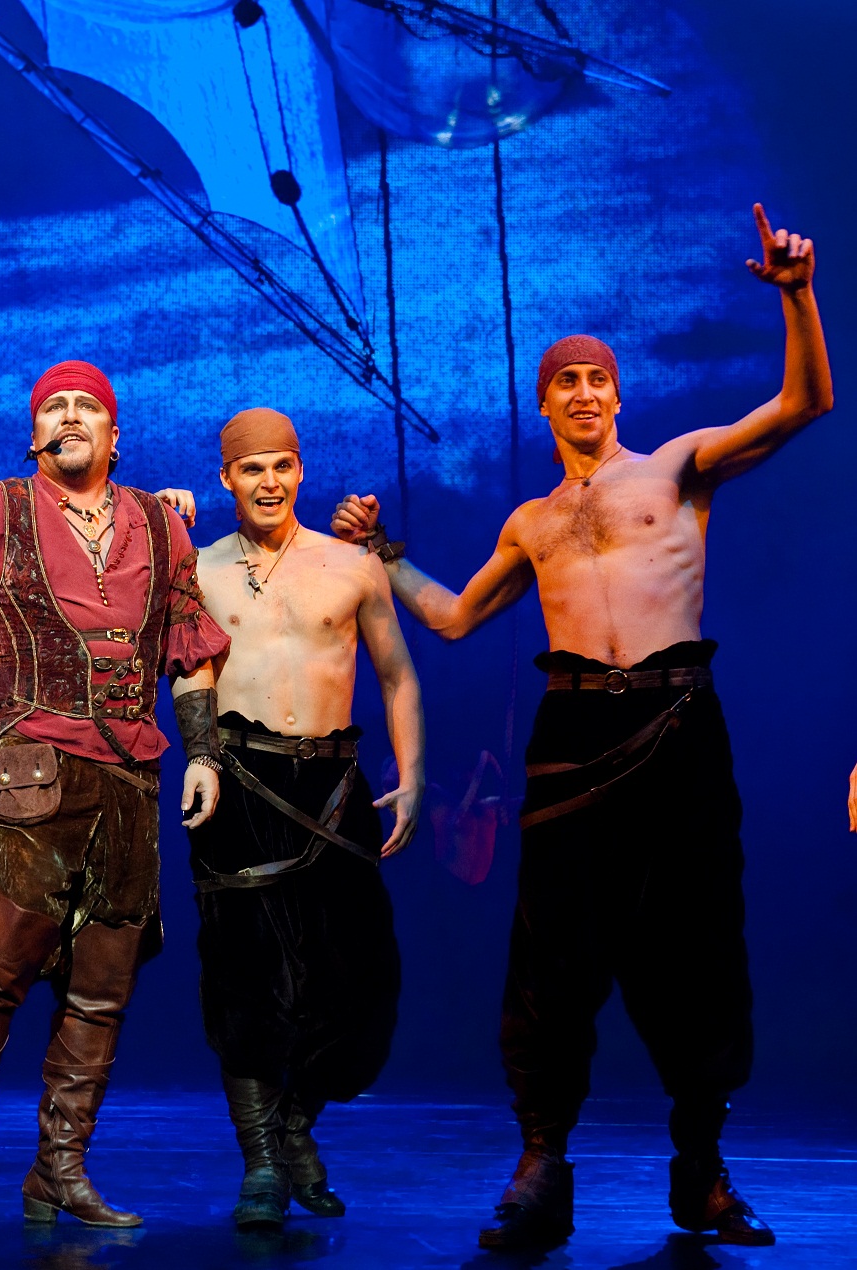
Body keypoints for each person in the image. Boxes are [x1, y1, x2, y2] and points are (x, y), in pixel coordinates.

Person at [332, 204, 831, 1250]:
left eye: (598, 378)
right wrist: (383, 555)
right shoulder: (532, 521)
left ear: (619, 394)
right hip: (571, 736)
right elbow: (454, 619)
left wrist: (796, 295)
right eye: (566, 380)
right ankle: (540, 1165)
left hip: (676, 722)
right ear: (545, 402)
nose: (585, 392)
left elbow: (802, 404)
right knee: (553, 951)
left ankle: (701, 1167)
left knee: (696, 944)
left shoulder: (677, 469)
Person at [0, 360, 229, 1228]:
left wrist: (204, 753)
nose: (69, 416)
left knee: (105, 981)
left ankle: (59, 1170)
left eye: (87, 406)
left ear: (115, 434)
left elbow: (190, 649)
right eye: (53, 407)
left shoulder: (162, 524)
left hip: (132, 777)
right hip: (29, 764)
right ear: (34, 432)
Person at [190, 408, 423, 1229]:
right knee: (246, 976)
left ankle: (295, 1126)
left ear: (301, 470)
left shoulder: (352, 566)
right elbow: (179, 673)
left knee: (355, 975)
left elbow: (396, 674)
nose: (270, 482)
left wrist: (413, 774)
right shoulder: (198, 570)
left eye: (282, 465)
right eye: (252, 468)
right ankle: (262, 1163)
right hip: (238, 782)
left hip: (333, 783)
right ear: (227, 478)